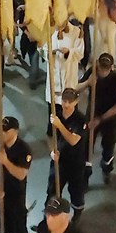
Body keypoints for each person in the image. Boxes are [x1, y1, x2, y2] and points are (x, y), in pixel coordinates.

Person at [79, 53, 116, 184]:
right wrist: (88, 83)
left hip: (109, 119)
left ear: (111, 68)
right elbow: (77, 88)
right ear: (98, 64)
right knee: (87, 146)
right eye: (101, 67)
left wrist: (100, 119)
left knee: (108, 146)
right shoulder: (92, 72)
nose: (103, 71)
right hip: (92, 114)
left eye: (106, 68)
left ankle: (106, 169)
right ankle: (85, 176)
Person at [48, 88, 89, 223]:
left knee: (76, 191)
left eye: (70, 102)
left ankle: (76, 215)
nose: (66, 104)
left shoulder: (80, 120)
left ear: (76, 102)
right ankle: (49, 218)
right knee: (52, 190)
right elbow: (49, 136)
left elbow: (73, 140)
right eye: (64, 100)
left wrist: (59, 125)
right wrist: (52, 151)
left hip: (75, 163)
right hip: (59, 161)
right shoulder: (56, 116)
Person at [46, 21, 85, 134]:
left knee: (69, 107)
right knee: (54, 108)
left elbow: (80, 53)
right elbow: (42, 48)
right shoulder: (50, 30)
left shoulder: (76, 32)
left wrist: (69, 52)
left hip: (68, 77)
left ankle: (70, 132)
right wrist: (49, 52)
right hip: (54, 76)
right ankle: (54, 132)